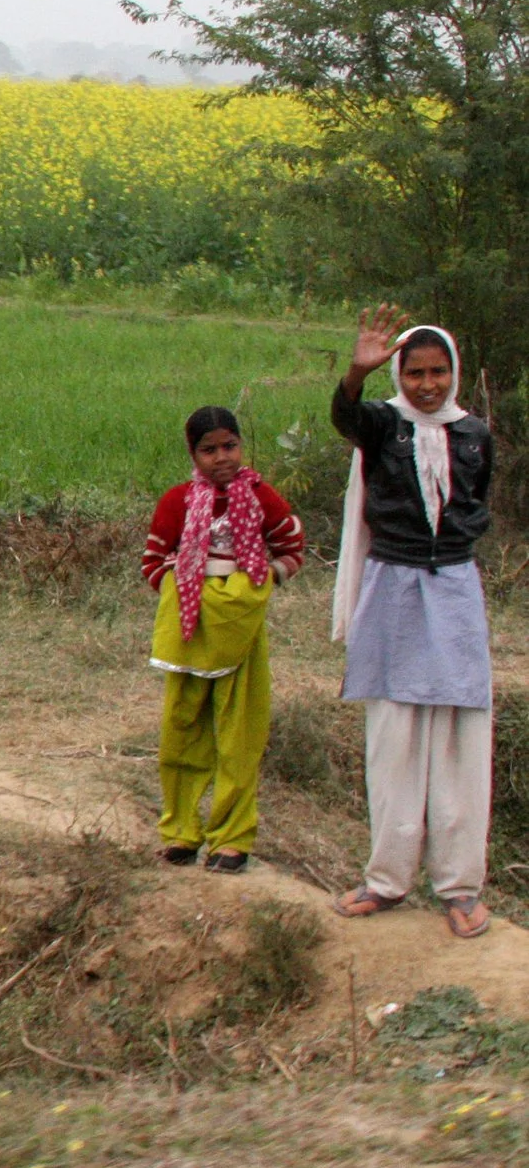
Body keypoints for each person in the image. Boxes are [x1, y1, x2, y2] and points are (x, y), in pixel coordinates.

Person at [328, 308, 497, 938]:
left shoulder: (475, 434)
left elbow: (478, 501)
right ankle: (386, 880)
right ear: (399, 374)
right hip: (393, 585)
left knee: (459, 735)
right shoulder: (381, 425)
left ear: (454, 372)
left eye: (439, 371)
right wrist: (355, 373)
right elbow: (346, 418)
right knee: (394, 735)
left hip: (453, 589)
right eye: (415, 372)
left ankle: (459, 888)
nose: (428, 384)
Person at [142, 406, 307, 872]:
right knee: (182, 729)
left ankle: (232, 838)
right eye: (208, 449)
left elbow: (292, 548)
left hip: (242, 630)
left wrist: (254, 585)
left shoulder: (261, 497)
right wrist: (185, 592)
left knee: (240, 735)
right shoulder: (177, 501)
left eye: (229, 446)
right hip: (190, 632)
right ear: (193, 453)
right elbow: (153, 560)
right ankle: (180, 831)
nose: (221, 458)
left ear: (241, 445)